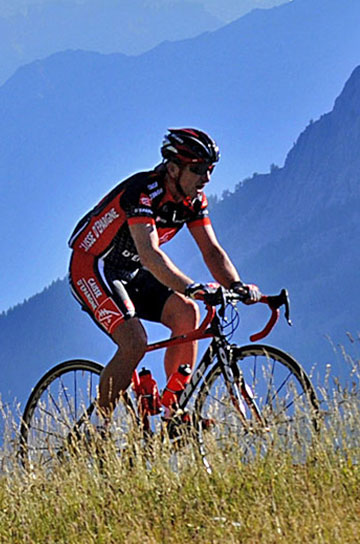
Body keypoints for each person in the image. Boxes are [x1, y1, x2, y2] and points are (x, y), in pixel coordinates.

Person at [67, 128, 260, 429]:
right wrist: (191, 287)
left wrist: (236, 285)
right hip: (92, 267)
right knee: (134, 343)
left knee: (187, 312)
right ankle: (95, 432)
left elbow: (211, 250)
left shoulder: (193, 201)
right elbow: (150, 255)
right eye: (197, 169)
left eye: (209, 169)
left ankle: (174, 413)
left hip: (129, 270)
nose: (206, 178)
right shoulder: (142, 192)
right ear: (172, 168)